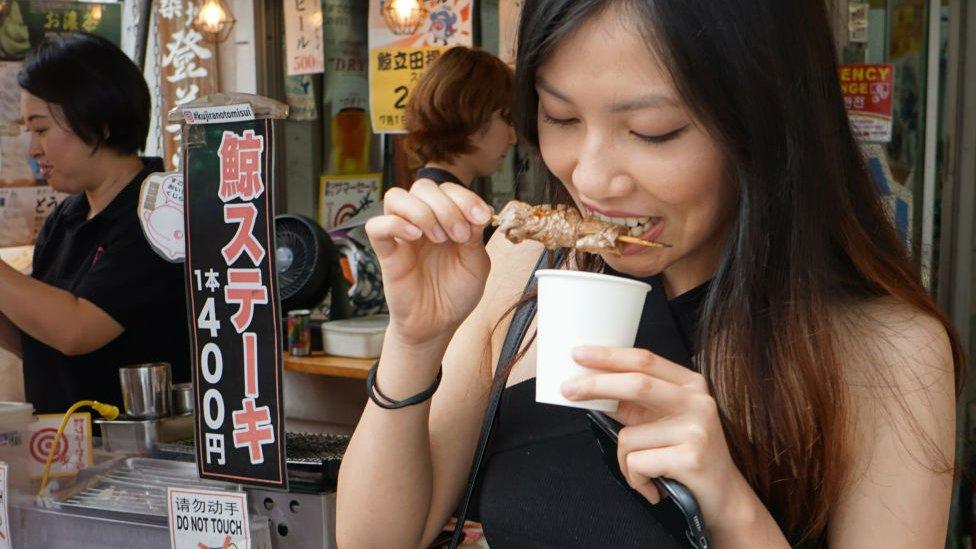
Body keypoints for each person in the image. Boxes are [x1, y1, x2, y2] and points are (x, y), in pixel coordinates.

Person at [337, 1, 963, 547]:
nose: (590, 178)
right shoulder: (521, 271)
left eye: (652, 131)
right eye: (560, 117)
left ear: (765, 119)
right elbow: (380, 538)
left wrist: (728, 506)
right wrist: (415, 342)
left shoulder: (889, 352)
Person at [0, 32, 190, 413]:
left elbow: (77, 330)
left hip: (141, 456)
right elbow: (41, 338)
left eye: (41, 129)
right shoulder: (64, 220)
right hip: (64, 451)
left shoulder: (161, 214)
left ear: (99, 123)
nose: (32, 149)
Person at [404, 45, 516, 190]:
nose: (513, 138)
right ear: (471, 114)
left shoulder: (427, 195)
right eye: (507, 119)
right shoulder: (447, 207)